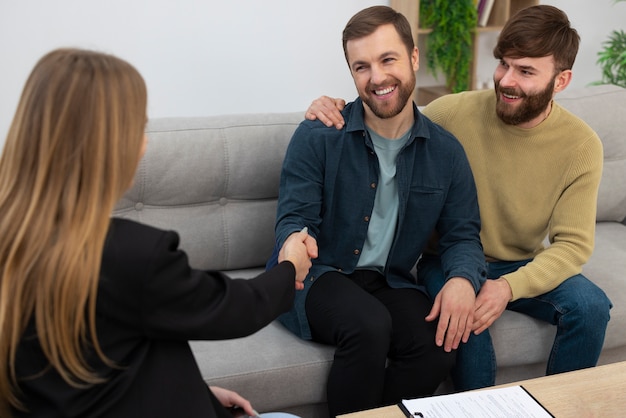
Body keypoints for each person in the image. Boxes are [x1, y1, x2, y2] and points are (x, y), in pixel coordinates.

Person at [305, 4, 612, 392]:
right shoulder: (452, 113)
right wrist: (332, 106)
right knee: (462, 325)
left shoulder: (581, 145)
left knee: (591, 307)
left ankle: (558, 405)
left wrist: (509, 287)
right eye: (504, 64)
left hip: (520, 263)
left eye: (526, 71)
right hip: (447, 260)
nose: (507, 80)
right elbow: (389, 114)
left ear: (562, 80)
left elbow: (572, 247)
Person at [0, 48, 314, 418]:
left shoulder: (15, 240)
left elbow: (102, 364)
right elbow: (236, 308)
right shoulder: (127, 255)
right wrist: (289, 266)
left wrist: (201, 394)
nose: (144, 143)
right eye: (137, 127)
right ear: (104, 144)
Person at [266, 6, 486, 417]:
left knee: (437, 347)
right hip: (318, 276)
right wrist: (294, 243)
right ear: (351, 74)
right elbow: (293, 219)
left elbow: (461, 235)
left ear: (414, 58)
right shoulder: (318, 135)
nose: (377, 77)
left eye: (388, 59)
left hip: (389, 280)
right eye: (361, 66)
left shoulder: (445, 152)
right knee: (369, 325)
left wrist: (461, 279)